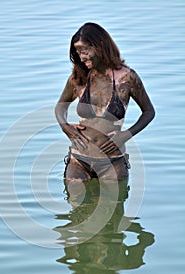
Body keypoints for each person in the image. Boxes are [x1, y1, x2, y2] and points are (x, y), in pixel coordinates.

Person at [55, 22, 155, 181]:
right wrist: (65, 126)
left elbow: (149, 112)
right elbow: (61, 106)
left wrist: (125, 135)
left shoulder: (127, 78)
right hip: (79, 159)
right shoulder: (79, 77)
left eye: (85, 51)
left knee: (113, 205)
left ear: (100, 45)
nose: (81, 57)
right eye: (78, 52)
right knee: (77, 205)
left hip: (112, 161)